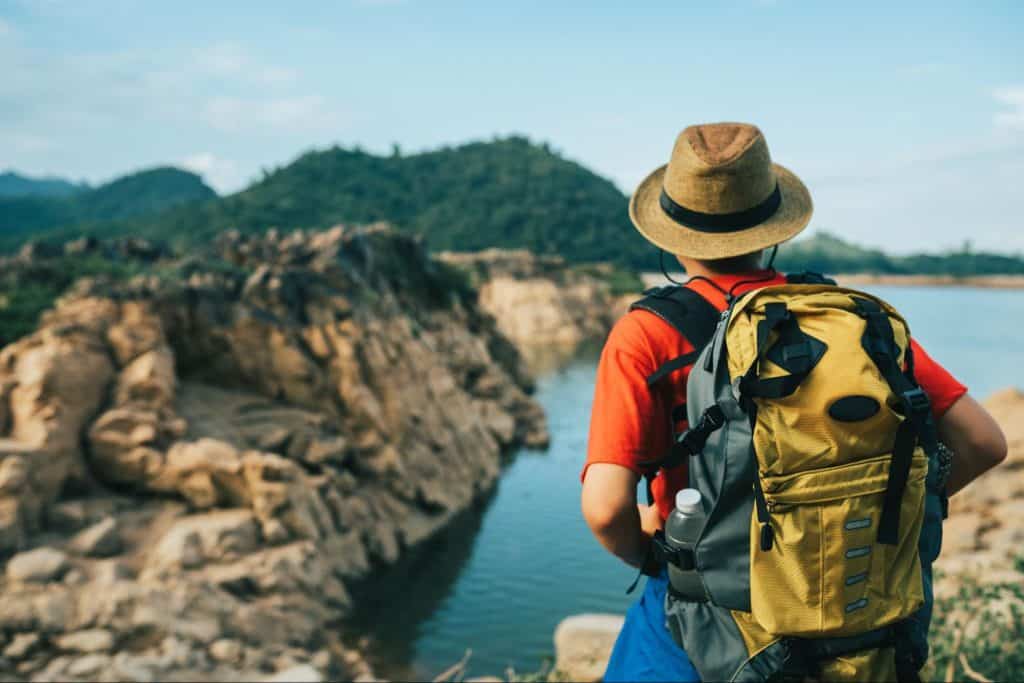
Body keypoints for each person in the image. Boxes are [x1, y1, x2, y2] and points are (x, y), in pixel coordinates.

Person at [580, 122, 1008, 682]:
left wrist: (663, 554)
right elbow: (983, 442)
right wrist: (879, 515)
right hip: (848, 593)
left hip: (702, 610)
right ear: (771, 227)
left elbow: (606, 509)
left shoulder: (645, 336)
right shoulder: (848, 321)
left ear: (671, 235)